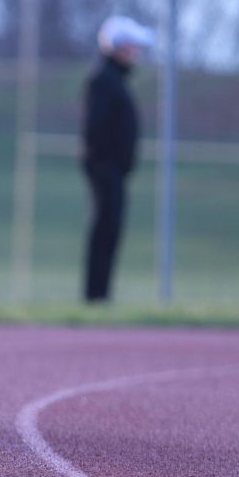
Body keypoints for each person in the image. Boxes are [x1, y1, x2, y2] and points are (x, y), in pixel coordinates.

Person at [81, 16, 153, 303]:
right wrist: (103, 166)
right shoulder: (103, 81)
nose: (136, 53)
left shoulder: (115, 81)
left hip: (114, 170)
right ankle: (95, 295)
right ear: (117, 47)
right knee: (104, 230)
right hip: (105, 169)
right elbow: (95, 129)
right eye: (132, 47)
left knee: (111, 231)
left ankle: (101, 294)